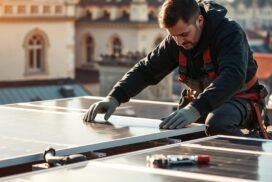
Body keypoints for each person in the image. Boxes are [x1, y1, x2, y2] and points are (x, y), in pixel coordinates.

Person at [83, 0, 269, 138]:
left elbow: (233, 77)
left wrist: (194, 109)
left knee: (217, 123)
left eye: (184, 34)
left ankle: (258, 145)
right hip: (205, 101)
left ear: (200, 21)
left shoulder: (229, 33)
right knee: (175, 130)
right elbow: (146, 70)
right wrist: (115, 97)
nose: (179, 42)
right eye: (173, 36)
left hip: (240, 98)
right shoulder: (176, 41)